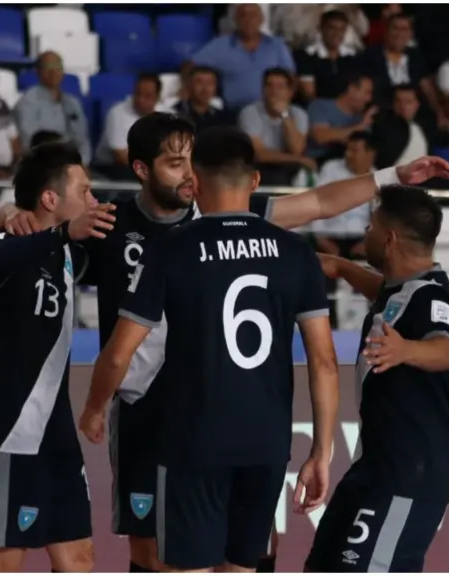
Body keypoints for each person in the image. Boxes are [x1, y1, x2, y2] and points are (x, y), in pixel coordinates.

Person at [0, 113, 449, 572]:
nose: (187, 173)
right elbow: (45, 237)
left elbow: (318, 203)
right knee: (151, 551)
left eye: (190, 161)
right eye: (175, 163)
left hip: (209, 410)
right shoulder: (110, 222)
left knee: (243, 548)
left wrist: (393, 176)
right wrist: (12, 214)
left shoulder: (222, 214)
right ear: (141, 169)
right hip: (146, 409)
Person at [79, 126, 340, 572]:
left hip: (194, 440)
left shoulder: (171, 249)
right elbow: (324, 362)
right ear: (255, 181)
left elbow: (121, 352)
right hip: (266, 441)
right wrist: (322, 449)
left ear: (195, 182)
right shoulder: (295, 252)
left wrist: (95, 406)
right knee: (243, 566)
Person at [0, 142, 114, 572]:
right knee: (3, 562)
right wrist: (55, 230)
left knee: (78, 557)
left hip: (57, 434)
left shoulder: (71, 255)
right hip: (8, 432)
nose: (93, 201)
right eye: (84, 191)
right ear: (51, 198)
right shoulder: (0, 246)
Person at [304, 184, 449, 572]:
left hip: (408, 479)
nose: (364, 234)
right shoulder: (401, 291)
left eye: (370, 227)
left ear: (389, 239)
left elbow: (446, 350)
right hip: (373, 470)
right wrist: (339, 267)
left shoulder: (434, 298)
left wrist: (406, 350)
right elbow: (374, 286)